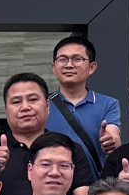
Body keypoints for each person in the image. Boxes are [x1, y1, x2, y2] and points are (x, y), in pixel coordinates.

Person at [0, 73, 96, 195]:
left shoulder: (70, 149)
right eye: (16, 102)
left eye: (33, 99)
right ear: (6, 110)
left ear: (47, 105)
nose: (25, 107)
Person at [44, 35, 123, 170]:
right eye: (62, 59)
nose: (69, 65)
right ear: (54, 67)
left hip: (91, 181)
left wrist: (110, 141)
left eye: (77, 59)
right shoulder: (43, 104)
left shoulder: (108, 104)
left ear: (92, 67)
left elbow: (113, 135)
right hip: (52, 177)